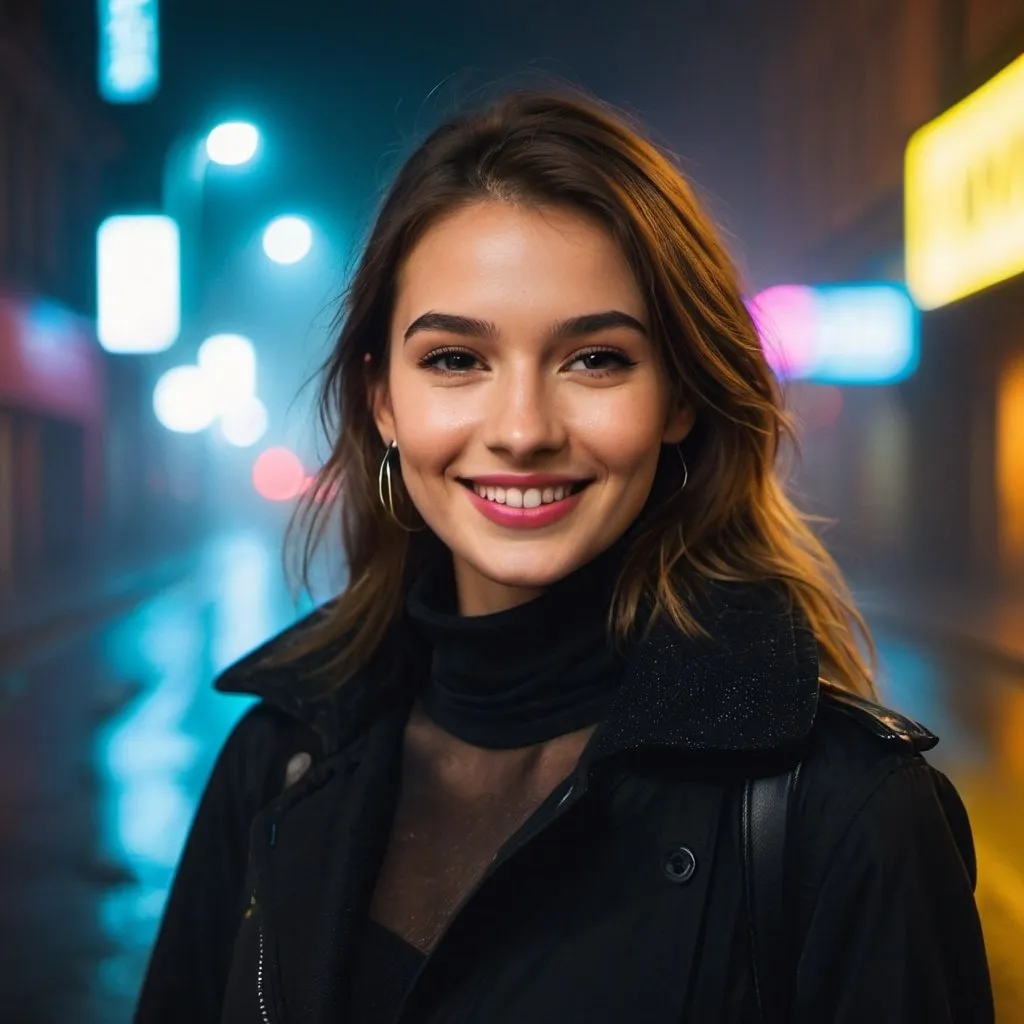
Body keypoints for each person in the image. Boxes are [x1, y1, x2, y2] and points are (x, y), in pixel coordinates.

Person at [135, 90, 993, 1024]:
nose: (522, 430)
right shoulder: (277, 760)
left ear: (679, 399)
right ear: (383, 401)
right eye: (456, 359)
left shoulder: (850, 813)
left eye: (595, 359)